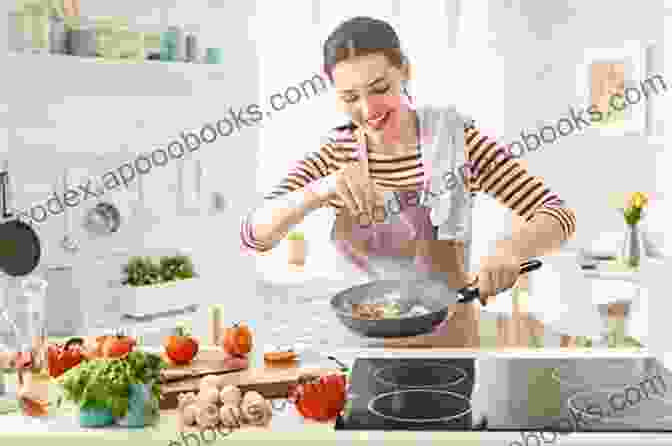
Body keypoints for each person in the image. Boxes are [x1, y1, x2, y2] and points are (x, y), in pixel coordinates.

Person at [241, 17, 576, 347]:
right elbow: (254, 234)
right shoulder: (337, 153)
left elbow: (557, 213)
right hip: (359, 352)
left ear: (405, 71)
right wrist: (321, 190)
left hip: (448, 346)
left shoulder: (458, 143)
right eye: (349, 97)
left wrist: (511, 249)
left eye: (380, 89)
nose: (368, 108)